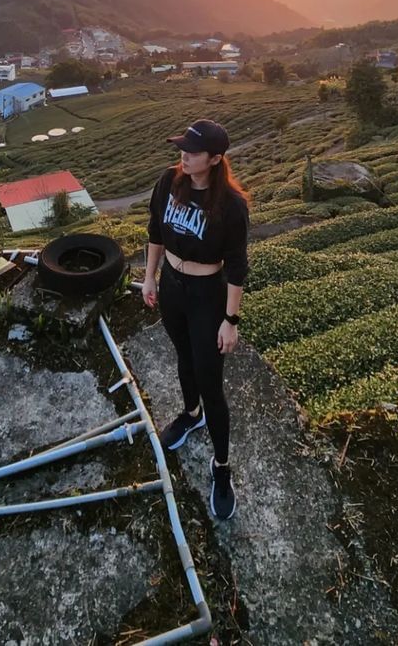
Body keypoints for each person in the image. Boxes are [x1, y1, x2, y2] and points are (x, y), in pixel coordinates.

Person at [142, 117, 250, 520]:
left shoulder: (231, 206)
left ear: (216, 158)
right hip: (171, 286)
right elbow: (155, 229)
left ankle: (221, 466)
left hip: (207, 295)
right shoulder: (169, 181)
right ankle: (190, 415)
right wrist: (149, 277)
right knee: (183, 358)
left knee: (211, 380)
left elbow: (237, 266)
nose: (183, 156)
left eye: (193, 151)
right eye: (182, 149)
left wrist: (230, 320)